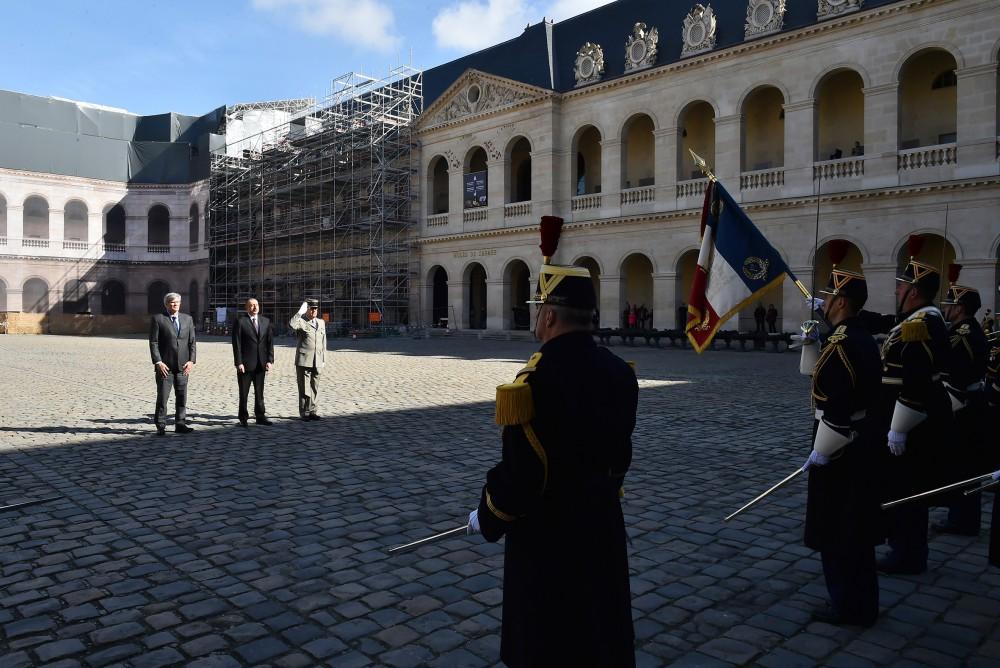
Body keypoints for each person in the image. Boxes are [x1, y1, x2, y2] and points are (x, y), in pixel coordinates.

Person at [468, 216, 637, 667]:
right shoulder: (621, 373)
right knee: (599, 636)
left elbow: (522, 477)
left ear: (547, 315)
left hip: (550, 540)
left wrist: (487, 515)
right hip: (601, 527)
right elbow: (621, 456)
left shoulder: (534, 381)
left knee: (549, 641)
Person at [858, 246, 951, 574]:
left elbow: (916, 380)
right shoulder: (915, 319)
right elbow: (885, 322)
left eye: (900, 286)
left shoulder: (922, 324)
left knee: (908, 488)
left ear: (913, 291)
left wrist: (898, 428)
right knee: (904, 485)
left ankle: (908, 553)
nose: (896, 290)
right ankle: (906, 547)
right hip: (904, 416)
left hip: (909, 422)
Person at [799, 267, 882, 626]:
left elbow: (835, 403)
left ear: (842, 301)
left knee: (837, 527)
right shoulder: (859, 337)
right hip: (861, 443)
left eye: (829, 298)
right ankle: (863, 601)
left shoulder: (841, 344)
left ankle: (846, 604)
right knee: (857, 529)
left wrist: (821, 450)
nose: (825, 304)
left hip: (839, 448)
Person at [932, 271, 988, 535]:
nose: (945, 308)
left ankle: (962, 520)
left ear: (960, 308)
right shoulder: (962, 330)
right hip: (969, 403)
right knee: (964, 464)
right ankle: (963, 517)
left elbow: (956, 371)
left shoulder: (962, 334)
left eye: (949, 304)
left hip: (963, 405)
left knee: (963, 464)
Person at [149, 292, 196, 436]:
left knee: (182, 397)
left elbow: (192, 342)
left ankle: (180, 424)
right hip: (165, 367)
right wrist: (158, 362)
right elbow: (154, 342)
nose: (175, 304)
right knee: (163, 397)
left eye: (177, 302)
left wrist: (191, 361)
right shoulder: (158, 319)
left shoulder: (187, 319)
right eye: (172, 302)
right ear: (166, 304)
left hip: (183, 366)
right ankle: (161, 425)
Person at [231, 297, 275, 427]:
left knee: (259, 392)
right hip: (245, 364)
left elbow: (270, 343)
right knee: (244, 393)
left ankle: (260, 416)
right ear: (246, 308)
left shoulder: (265, 321)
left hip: (261, 363)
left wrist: (270, 360)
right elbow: (236, 344)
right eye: (251, 305)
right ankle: (243, 417)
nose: (254, 307)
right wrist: (238, 362)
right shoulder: (240, 322)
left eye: (256, 305)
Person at [290, 298, 326, 420]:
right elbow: (292, 324)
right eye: (311, 309)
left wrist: (323, 359)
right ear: (307, 310)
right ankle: (304, 412)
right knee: (304, 387)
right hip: (304, 359)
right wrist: (300, 312)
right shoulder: (301, 321)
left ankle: (313, 411)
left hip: (317, 360)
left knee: (315, 387)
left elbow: (323, 342)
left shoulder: (321, 322)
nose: (314, 311)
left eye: (315, 309)